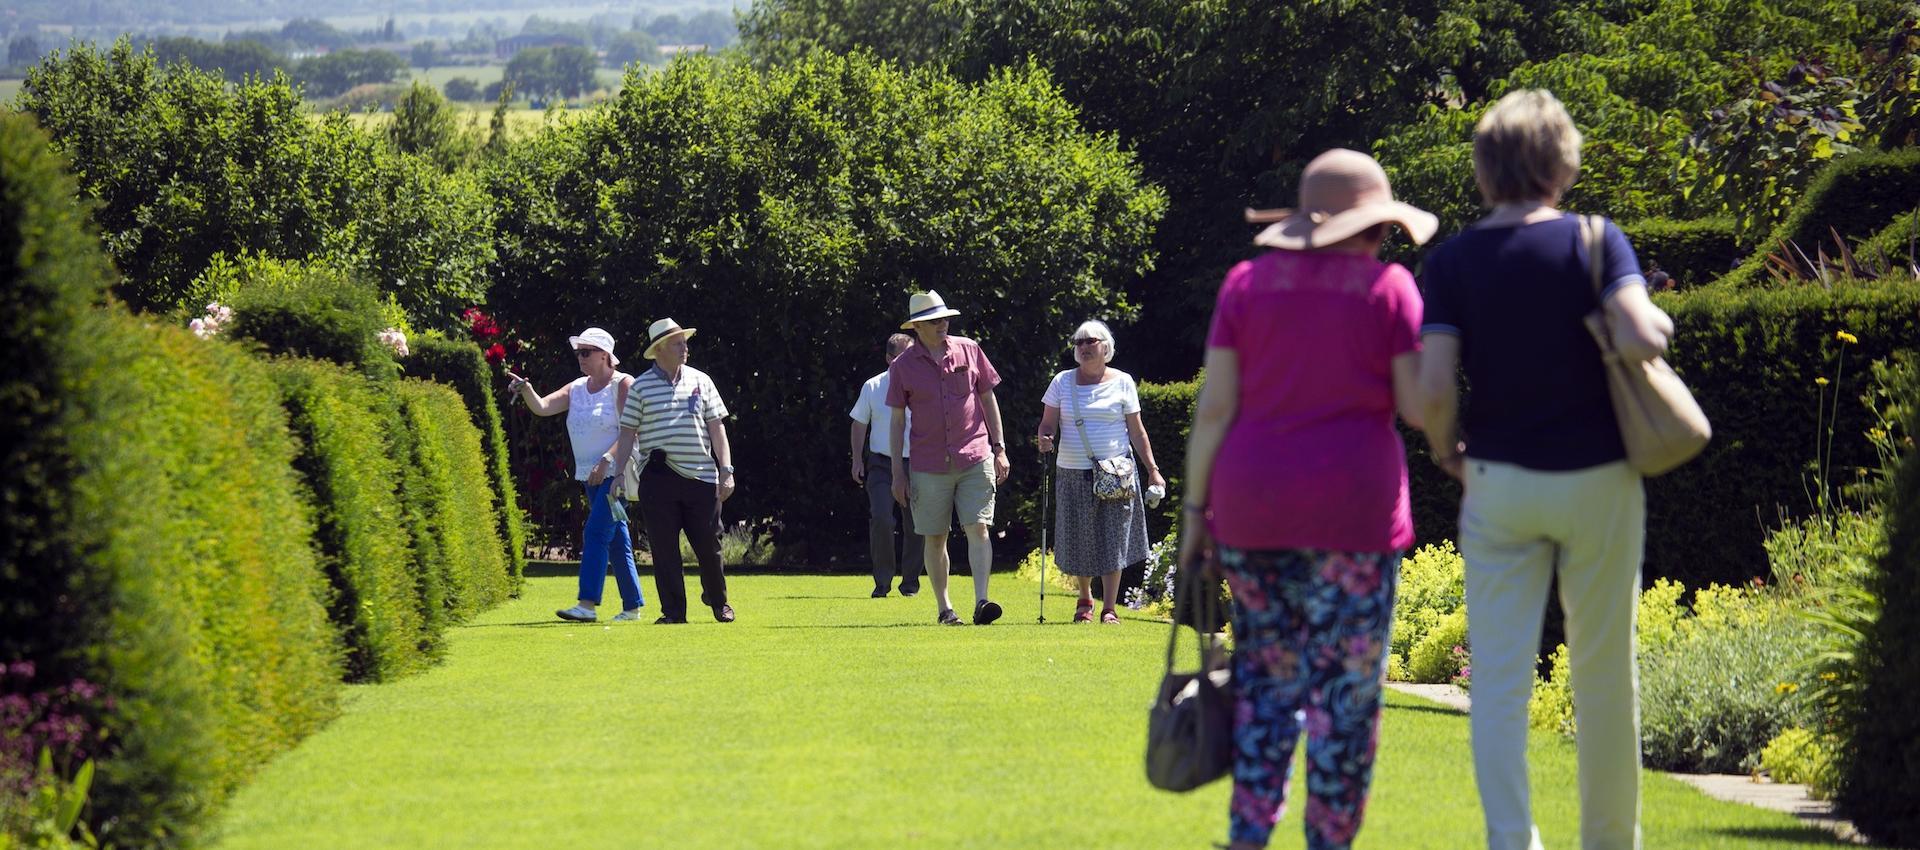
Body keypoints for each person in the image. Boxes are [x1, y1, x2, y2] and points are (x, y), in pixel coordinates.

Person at [1417, 89, 1670, 850]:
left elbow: (1433, 388)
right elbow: (1642, 335)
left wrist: (1445, 449)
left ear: (1484, 167)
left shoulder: (1455, 259)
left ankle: (1510, 839)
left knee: (1497, 681)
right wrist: (1653, 317)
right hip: (1600, 478)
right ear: (1563, 161)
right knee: (1603, 676)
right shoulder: (1597, 242)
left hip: (1498, 480)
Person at [1177, 148, 1434, 850]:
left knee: (1265, 687)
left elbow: (1215, 410)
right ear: (1370, 228)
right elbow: (1416, 406)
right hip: (1354, 515)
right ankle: (1329, 841)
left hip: (1252, 510)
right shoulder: (1390, 290)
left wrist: (1195, 518)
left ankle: (1249, 836)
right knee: (1344, 701)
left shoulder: (1245, 284)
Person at [503, 328, 647, 623]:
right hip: (589, 477)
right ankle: (632, 606)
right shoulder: (577, 387)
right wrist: (526, 390)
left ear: (605, 355)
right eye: (578, 352)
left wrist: (606, 460)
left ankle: (587, 604)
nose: (580, 358)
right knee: (617, 539)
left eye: (586, 352)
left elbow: (632, 430)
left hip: (615, 474)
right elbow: (543, 407)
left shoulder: (623, 385)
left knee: (594, 533)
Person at [886, 291, 1010, 626]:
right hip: (927, 464)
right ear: (918, 327)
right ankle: (945, 608)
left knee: (978, 528)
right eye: (935, 320)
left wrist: (999, 447)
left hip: (975, 455)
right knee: (935, 536)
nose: (943, 324)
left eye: (945, 319)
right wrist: (898, 472)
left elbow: (988, 398)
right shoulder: (902, 366)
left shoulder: (969, 349)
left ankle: (982, 600)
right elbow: (896, 422)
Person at [609, 318, 739, 624]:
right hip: (658, 477)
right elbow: (627, 433)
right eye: (679, 343)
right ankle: (673, 613)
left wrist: (726, 469)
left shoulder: (702, 380)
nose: (685, 348)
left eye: (684, 342)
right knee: (664, 550)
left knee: (710, 545)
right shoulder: (640, 387)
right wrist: (617, 475)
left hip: (701, 477)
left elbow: (717, 428)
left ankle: (719, 601)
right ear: (661, 350)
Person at [1035, 319, 1165, 623]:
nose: (1082, 348)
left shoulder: (1123, 381)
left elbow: (1138, 432)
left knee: (1113, 538)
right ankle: (1084, 598)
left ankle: (1109, 607)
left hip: (1116, 471)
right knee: (1079, 537)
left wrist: (1153, 470)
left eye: (1089, 342)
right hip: (1072, 470)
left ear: (1105, 347)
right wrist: (1044, 437)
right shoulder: (1061, 382)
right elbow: (1047, 422)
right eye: (1078, 343)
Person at [850, 333, 924, 598]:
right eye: (903, 357)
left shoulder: (922, 384)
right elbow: (859, 423)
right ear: (889, 359)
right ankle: (882, 581)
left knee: (916, 524)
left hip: (917, 462)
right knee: (881, 518)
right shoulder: (873, 386)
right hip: (881, 463)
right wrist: (857, 459)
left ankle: (910, 584)